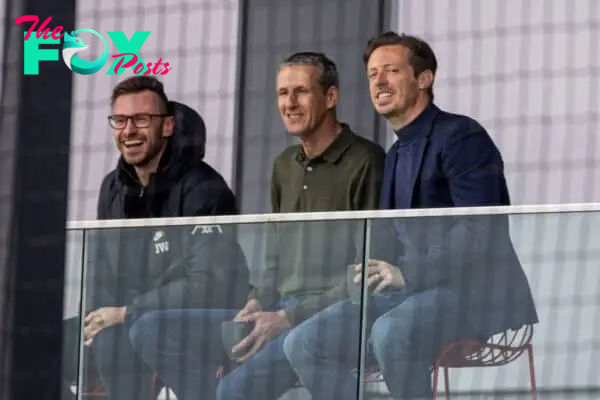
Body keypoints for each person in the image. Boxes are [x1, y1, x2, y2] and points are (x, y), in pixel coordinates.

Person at [283, 32, 539, 399]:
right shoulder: (397, 152)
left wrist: (407, 273)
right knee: (303, 342)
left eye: (391, 71)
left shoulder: (462, 136)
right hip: (409, 295)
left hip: (468, 295)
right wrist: (363, 274)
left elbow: (480, 228)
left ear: (424, 79)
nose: (379, 81)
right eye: (372, 75)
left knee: (390, 332)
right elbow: (387, 238)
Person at [128, 52, 386, 400]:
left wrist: (288, 316)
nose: (289, 103)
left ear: (331, 97)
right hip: (276, 314)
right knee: (150, 328)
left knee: (231, 394)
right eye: (282, 93)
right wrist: (257, 301)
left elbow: (364, 273)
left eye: (301, 92)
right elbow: (274, 261)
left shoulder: (366, 161)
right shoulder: (283, 165)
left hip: (323, 319)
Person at [62, 76, 249, 400]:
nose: (129, 131)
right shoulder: (113, 188)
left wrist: (126, 311)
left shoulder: (205, 189)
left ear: (167, 126)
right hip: (128, 317)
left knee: (116, 341)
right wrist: (96, 318)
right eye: (120, 120)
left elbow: (207, 286)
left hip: (190, 322)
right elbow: (100, 272)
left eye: (141, 120)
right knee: (37, 342)